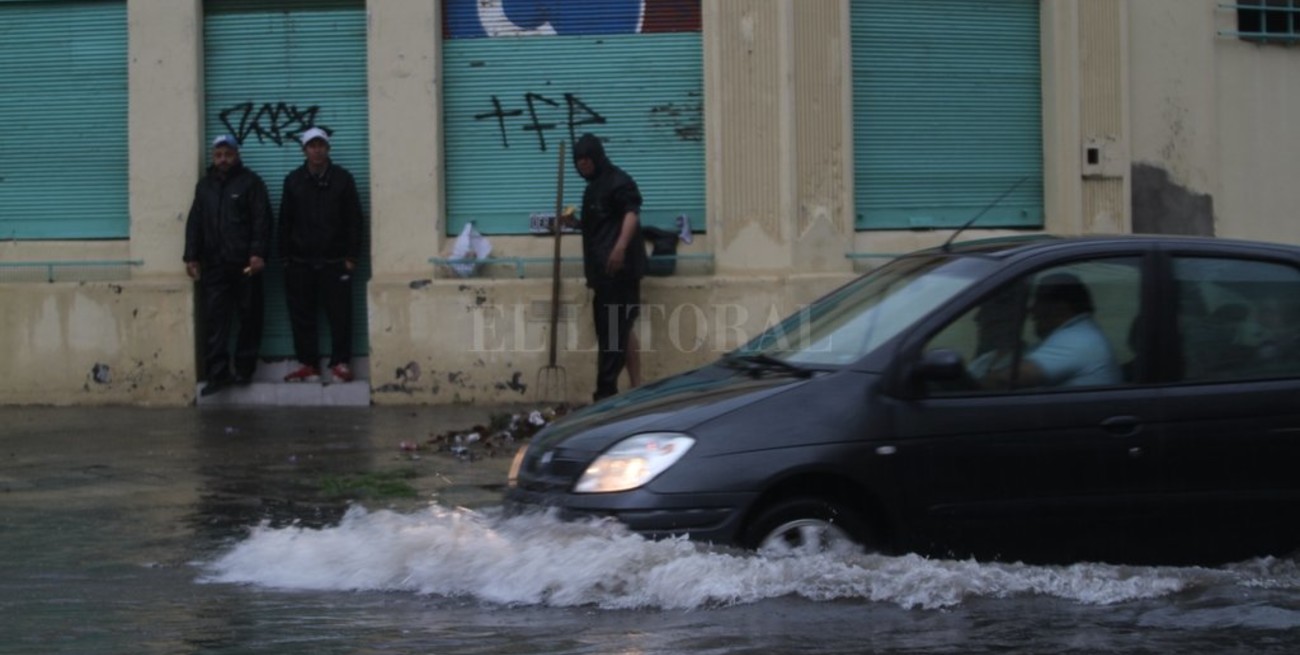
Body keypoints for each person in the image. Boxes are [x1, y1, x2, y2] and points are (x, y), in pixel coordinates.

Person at [183, 134, 273, 396]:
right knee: (215, 320)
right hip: (215, 265)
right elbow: (195, 224)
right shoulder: (205, 187)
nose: (223, 159)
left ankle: (244, 369)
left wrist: (258, 253)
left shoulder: (251, 183)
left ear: (237, 155)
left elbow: (262, 220)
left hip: (245, 265)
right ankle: (217, 373)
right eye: (218, 154)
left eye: (228, 154)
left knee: (250, 317)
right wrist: (191, 256)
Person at [279, 127, 365, 383]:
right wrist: (285, 257)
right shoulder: (293, 180)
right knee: (302, 315)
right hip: (300, 261)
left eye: (321, 145)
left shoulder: (342, 179)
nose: (316, 150)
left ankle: (340, 363)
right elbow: (285, 221)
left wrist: (352, 255)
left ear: (328, 149)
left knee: (340, 315)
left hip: (335, 260)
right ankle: (309, 364)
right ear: (304, 150)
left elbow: (354, 219)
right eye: (311, 146)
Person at [570, 133, 647, 401]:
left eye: (587, 160)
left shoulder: (617, 181)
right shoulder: (592, 188)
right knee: (619, 330)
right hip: (604, 275)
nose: (583, 165)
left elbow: (631, 213)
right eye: (578, 161)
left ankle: (606, 392)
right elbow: (599, 228)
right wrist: (575, 225)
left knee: (615, 331)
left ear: (597, 157)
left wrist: (620, 247)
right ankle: (635, 386)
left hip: (620, 272)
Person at [987, 272, 1120, 388]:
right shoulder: (1075, 333)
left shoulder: (1077, 340)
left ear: (1060, 307)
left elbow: (1005, 380)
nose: (1031, 309)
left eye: (1038, 301)